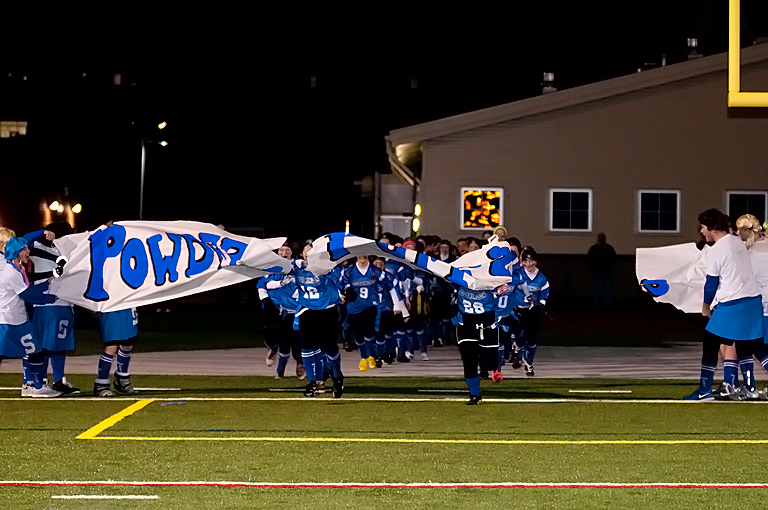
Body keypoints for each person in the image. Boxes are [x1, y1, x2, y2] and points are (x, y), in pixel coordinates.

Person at [684, 209, 764, 401]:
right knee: (753, 346)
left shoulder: (716, 250)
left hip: (733, 304)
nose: (702, 231)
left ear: (711, 227)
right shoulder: (737, 242)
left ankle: (704, 390)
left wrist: (705, 306)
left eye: (703, 227)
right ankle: (737, 386)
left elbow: (711, 283)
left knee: (710, 343)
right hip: (753, 301)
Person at [0, 237, 61, 397]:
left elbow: (28, 288)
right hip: (8, 320)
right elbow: (28, 295)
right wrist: (50, 298)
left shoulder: (16, 269)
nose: (28, 252)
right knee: (8, 353)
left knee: (35, 352)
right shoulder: (11, 272)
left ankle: (38, 387)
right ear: (17, 252)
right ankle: (37, 386)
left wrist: (48, 281)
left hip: (18, 319)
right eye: (25, 249)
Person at [28, 222, 80, 395]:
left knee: (59, 345)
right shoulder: (37, 246)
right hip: (47, 304)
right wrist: (42, 231)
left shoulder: (67, 251)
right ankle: (39, 382)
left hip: (65, 302)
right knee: (44, 345)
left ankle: (58, 380)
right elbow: (21, 241)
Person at [292, 255, 344, 398]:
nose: (309, 256)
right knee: (306, 345)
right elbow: (279, 267)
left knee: (329, 347)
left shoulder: (328, 267)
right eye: (306, 253)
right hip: (307, 309)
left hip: (327, 310)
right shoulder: (297, 267)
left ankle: (338, 376)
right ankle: (313, 382)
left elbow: (338, 278)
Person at [264, 241, 306, 380]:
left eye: (287, 250)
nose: (284, 253)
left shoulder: (298, 266)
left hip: (299, 309)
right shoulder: (272, 267)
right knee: (281, 340)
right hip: (281, 310)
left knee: (298, 341)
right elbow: (265, 284)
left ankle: (300, 364)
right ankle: (280, 368)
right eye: (281, 250)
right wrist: (280, 283)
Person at [512, 246, 550, 377]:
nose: (529, 264)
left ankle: (528, 362)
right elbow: (509, 289)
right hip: (519, 310)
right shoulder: (517, 274)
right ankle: (517, 347)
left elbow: (544, 293)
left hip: (533, 311)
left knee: (532, 339)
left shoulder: (541, 278)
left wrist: (540, 304)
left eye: (531, 261)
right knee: (521, 335)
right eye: (526, 261)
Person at [94, 308, 139, 397]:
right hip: (112, 307)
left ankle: (121, 379)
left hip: (127, 306)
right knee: (112, 345)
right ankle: (101, 384)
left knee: (128, 343)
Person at [587, 232, 617, 310]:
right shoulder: (595, 249)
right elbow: (589, 261)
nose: (602, 240)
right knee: (597, 293)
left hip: (606, 273)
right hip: (597, 273)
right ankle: (597, 308)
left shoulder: (607, 249)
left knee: (606, 292)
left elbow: (614, 260)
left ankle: (607, 308)